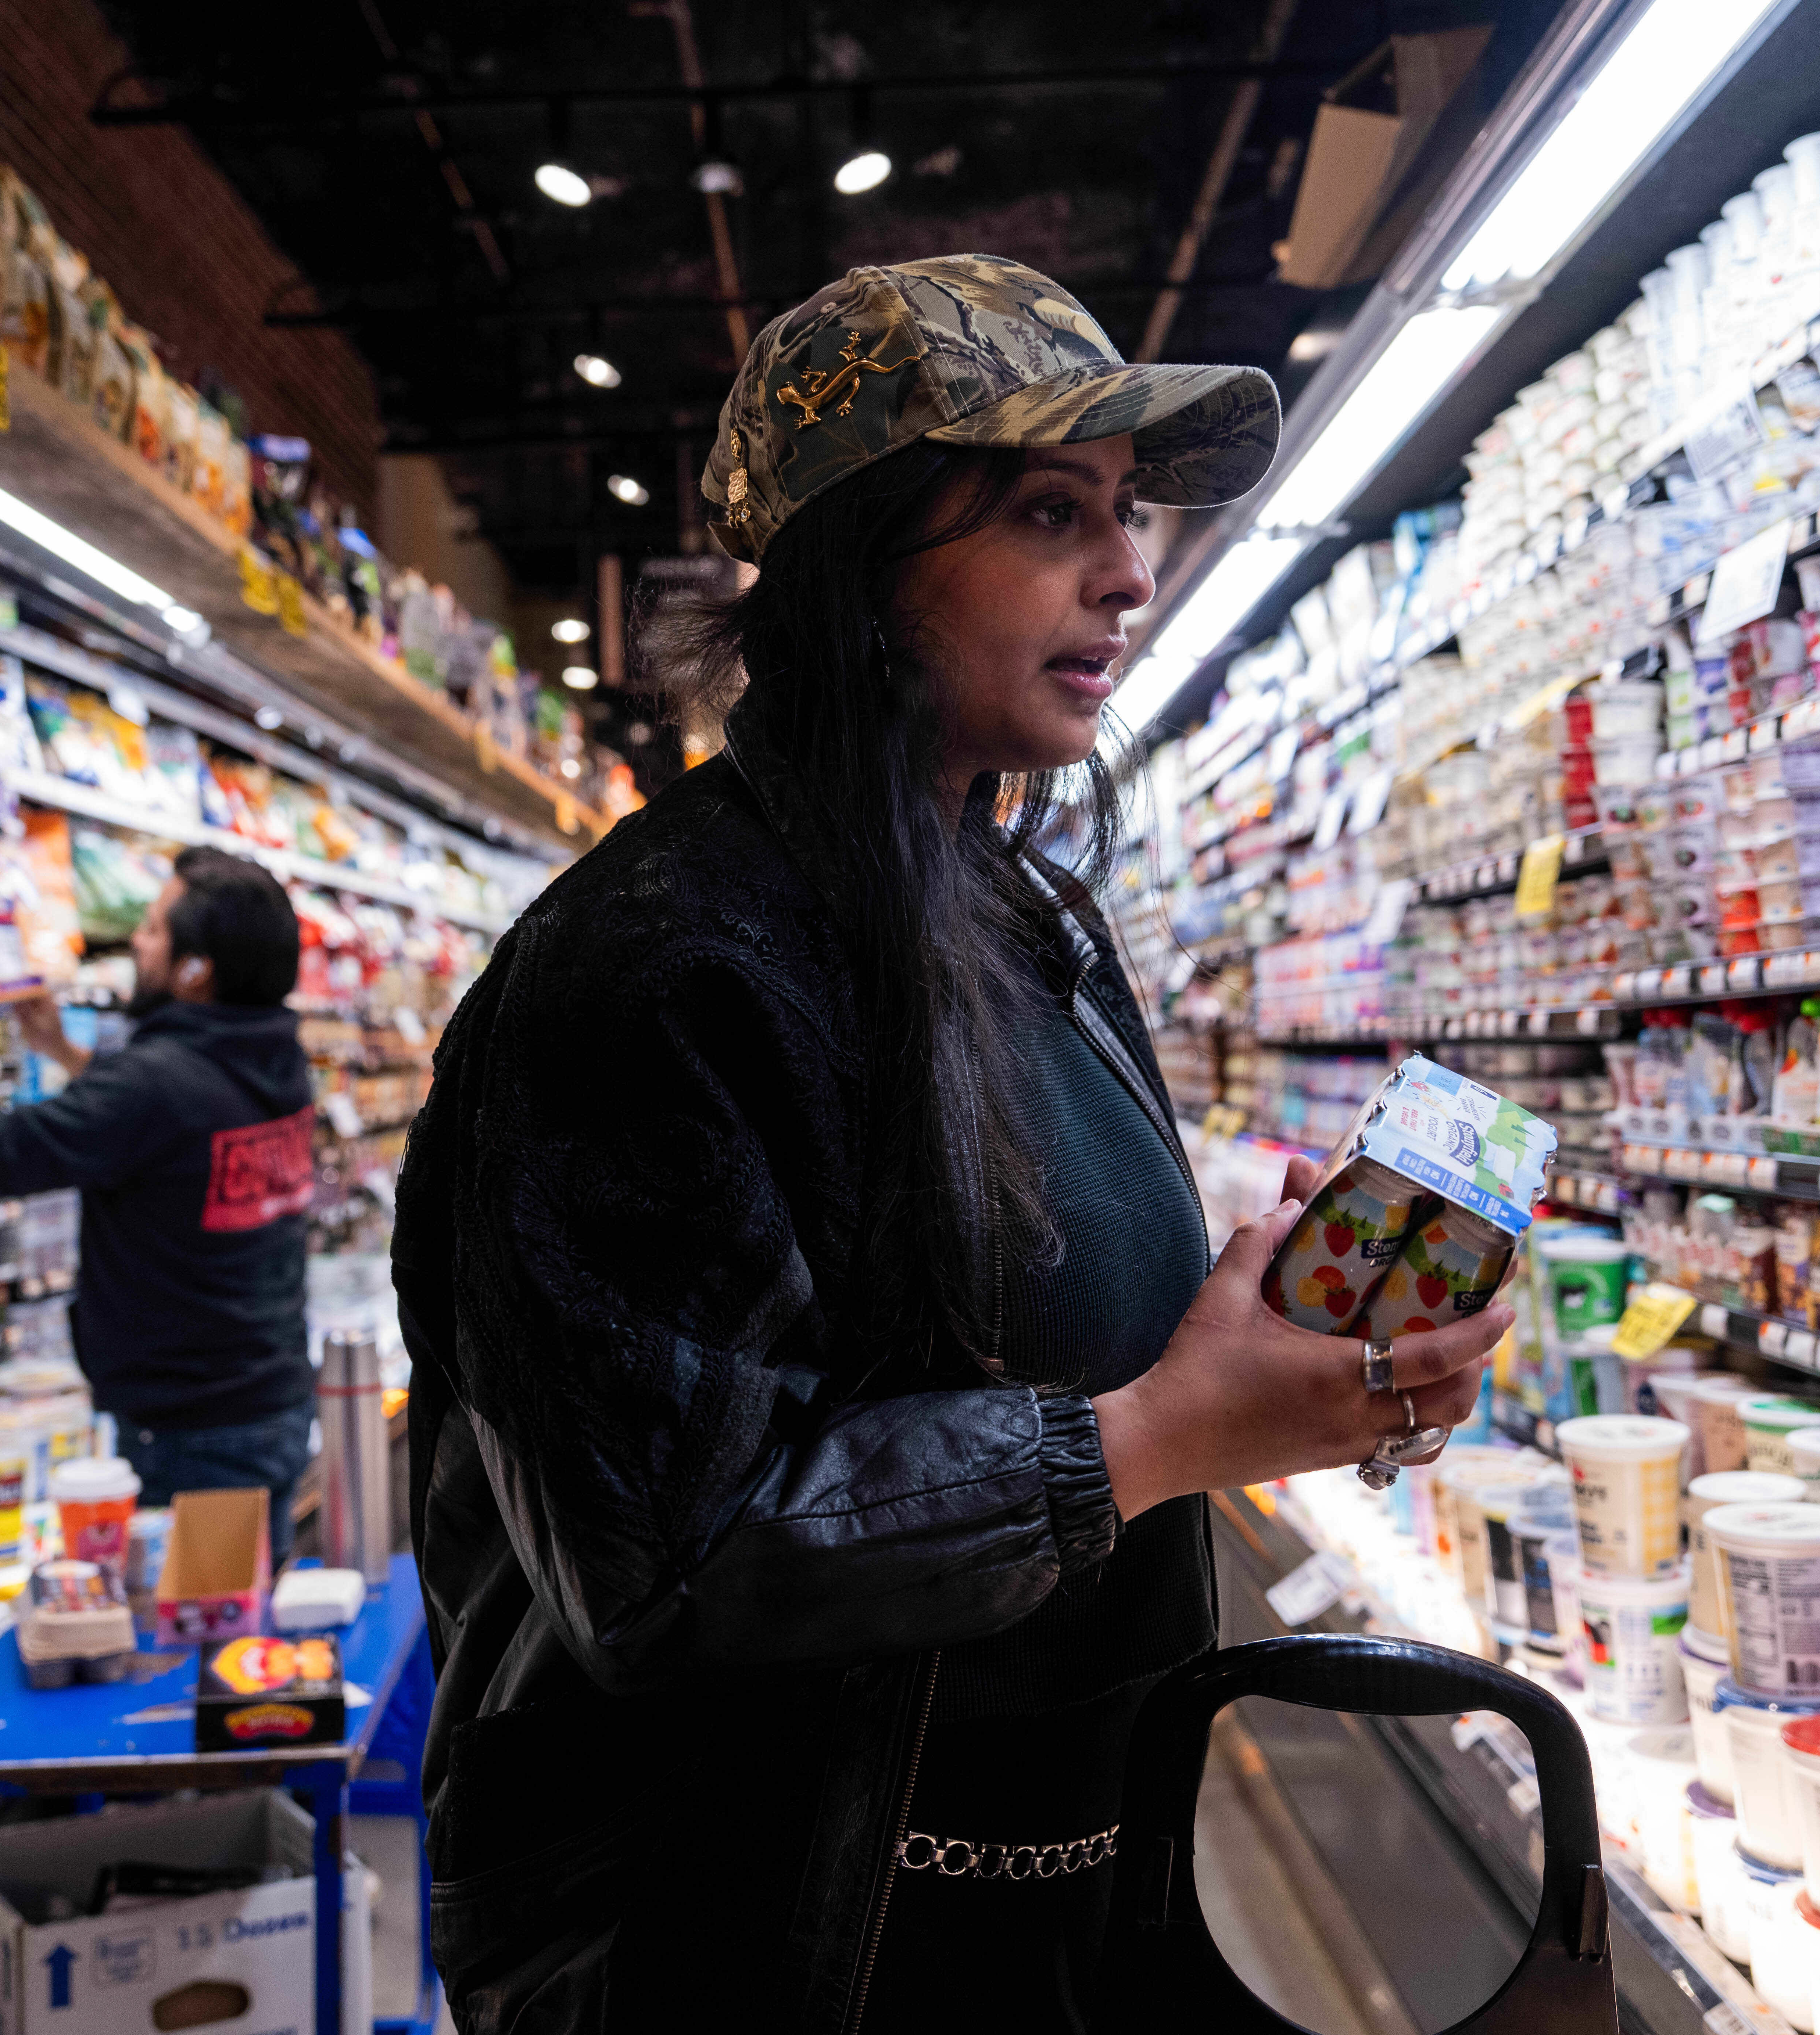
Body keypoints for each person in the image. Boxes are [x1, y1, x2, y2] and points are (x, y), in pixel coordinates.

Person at [391, 254, 1511, 2034]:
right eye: (1051, 512)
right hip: (761, 1944)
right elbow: (666, 1560)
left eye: (1127, 515)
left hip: (1035, 1897)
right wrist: (1149, 1435)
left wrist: (1287, 1362)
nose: (1131, 574)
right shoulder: (655, 971)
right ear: (861, 563)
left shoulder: (1011, 916)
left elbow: (1011, 1354)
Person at [0, 845, 320, 1514]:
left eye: (154, 927)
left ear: (195, 970)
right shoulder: (272, 1054)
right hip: (267, 1395)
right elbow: (171, 1135)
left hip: (191, 1429)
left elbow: (0, 1155)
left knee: (201, 1617)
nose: (136, 939)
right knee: (246, 1606)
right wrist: (64, 1053)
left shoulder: (152, 1082)